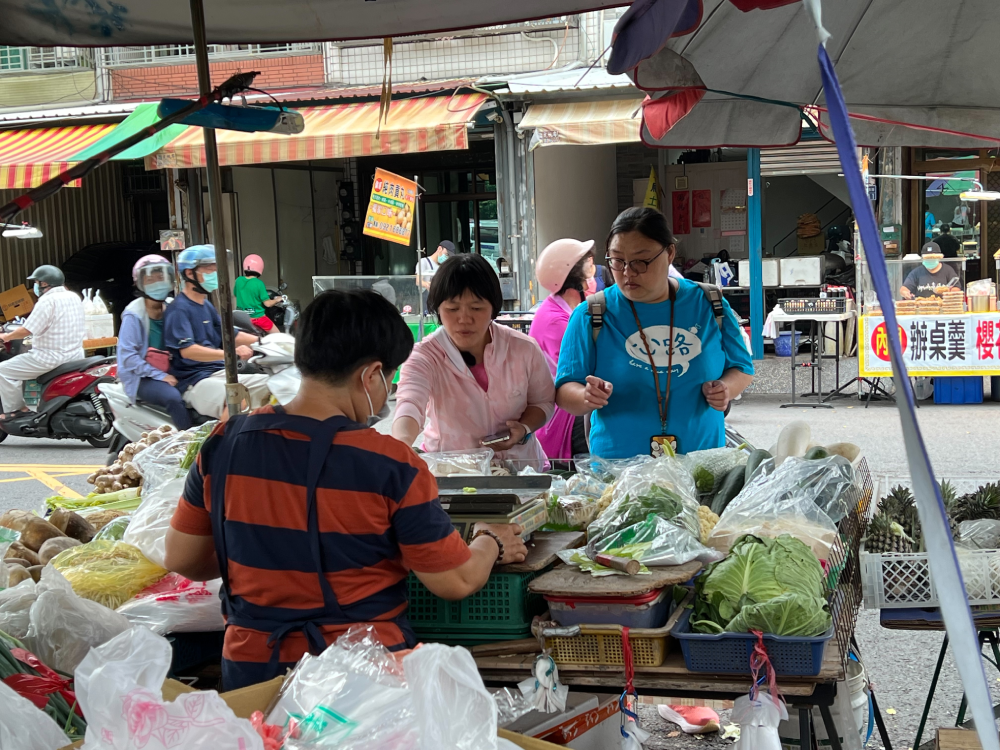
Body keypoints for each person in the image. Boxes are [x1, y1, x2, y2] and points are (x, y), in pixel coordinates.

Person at [163, 289, 527, 689]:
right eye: (389, 376)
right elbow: (454, 582)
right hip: (362, 679)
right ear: (370, 375)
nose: (387, 387)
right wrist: (491, 539)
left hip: (253, 670)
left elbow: (184, 558)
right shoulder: (389, 462)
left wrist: (266, 550)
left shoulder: (225, 442)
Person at [555, 207, 754, 459]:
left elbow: (743, 368)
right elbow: (564, 390)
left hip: (702, 460)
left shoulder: (708, 303)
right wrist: (585, 396)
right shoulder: (591, 314)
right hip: (619, 467)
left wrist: (725, 388)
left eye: (641, 261)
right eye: (617, 260)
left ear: (669, 253)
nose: (628, 272)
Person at [392, 253, 555, 470]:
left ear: (493, 308)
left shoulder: (523, 348)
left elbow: (543, 401)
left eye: (476, 308)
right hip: (454, 473)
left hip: (523, 470)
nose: (464, 318)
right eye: (452, 309)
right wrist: (398, 446)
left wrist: (524, 428)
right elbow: (410, 403)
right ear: (438, 310)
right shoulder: (425, 356)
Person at [163, 245, 270, 419]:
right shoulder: (178, 310)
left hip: (218, 373)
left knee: (273, 387)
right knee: (237, 399)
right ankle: (224, 445)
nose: (214, 274)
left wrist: (270, 343)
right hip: (195, 381)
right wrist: (230, 353)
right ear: (190, 274)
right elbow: (188, 351)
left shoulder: (206, 306)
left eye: (215, 269)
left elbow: (230, 334)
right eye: (209, 270)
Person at [529, 238, 592, 460]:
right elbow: (579, 373)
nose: (592, 273)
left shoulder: (562, 310)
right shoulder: (557, 321)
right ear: (575, 280)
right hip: (562, 417)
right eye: (588, 266)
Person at [0, 265, 85, 419]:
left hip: (49, 358)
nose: (35, 287)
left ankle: (16, 411)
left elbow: (27, 330)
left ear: (45, 284)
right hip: (75, 355)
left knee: (3, 371)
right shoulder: (74, 297)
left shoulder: (47, 301)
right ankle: (34, 405)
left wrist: (6, 336)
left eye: (37, 282)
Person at [117, 256, 191, 429]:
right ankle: (189, 445)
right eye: (150, 280)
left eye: (161, 278)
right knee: (173, 398)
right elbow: (128, 357)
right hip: (142, 377)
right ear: (140, 284)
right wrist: (161, 376)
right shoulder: (133, 314)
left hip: (172, 370)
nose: (157, 283)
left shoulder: (172, 307)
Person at [233, 255, 281, 334]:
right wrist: (276, 300)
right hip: (258, 318)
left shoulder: (238, 280)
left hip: (241, 319)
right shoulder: (259, 283)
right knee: (278, 336)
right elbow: (268, 304)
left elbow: (235, 294)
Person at [418, 240, 454, 312]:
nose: (446, 257)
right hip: (426, 298)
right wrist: (427, 284)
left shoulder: (443, 266)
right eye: (446, 254)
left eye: (448, 256)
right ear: (439, 249)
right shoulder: (424, 262)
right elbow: (418, 281)